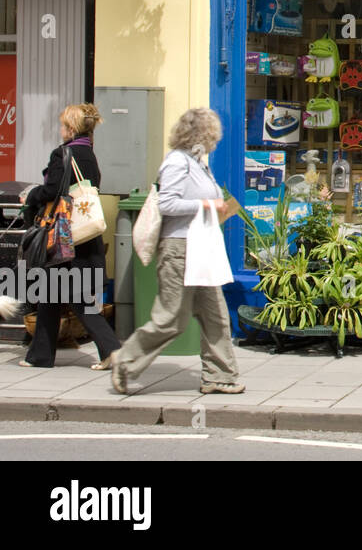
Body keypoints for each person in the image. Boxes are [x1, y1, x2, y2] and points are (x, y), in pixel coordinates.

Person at [110, 108, 244, 394]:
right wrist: (208, 206)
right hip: (179, 248)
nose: (216, 141)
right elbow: (167, 204)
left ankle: (220, 376)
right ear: (202, 134)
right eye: (213, 135)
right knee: (171, 318)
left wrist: (216, 207)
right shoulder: (176, 163)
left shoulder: (198, 164)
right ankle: (125, 360)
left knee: (215, 315)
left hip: (201, 248)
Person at [21, 104, 121, 369]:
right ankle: (40, 356)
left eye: (63, 125)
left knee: (71, 296)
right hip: (84, 235)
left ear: (71, 128)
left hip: (63, 237)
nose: (60, 129)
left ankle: (112, 349)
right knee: (53, 294)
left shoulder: (63, 153)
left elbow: (52, 190)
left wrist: (30, 196)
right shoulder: (89, 154)